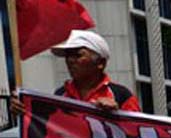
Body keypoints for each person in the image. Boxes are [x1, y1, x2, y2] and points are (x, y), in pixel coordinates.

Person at [11, 30, 139, 116]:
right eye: (68, 55)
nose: (70, 60)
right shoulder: (60, 95)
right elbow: (47, 128)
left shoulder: (121, 96)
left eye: (78, 55)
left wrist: (118, 115)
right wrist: (23, 109)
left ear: (101, 63)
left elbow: (140, 134)